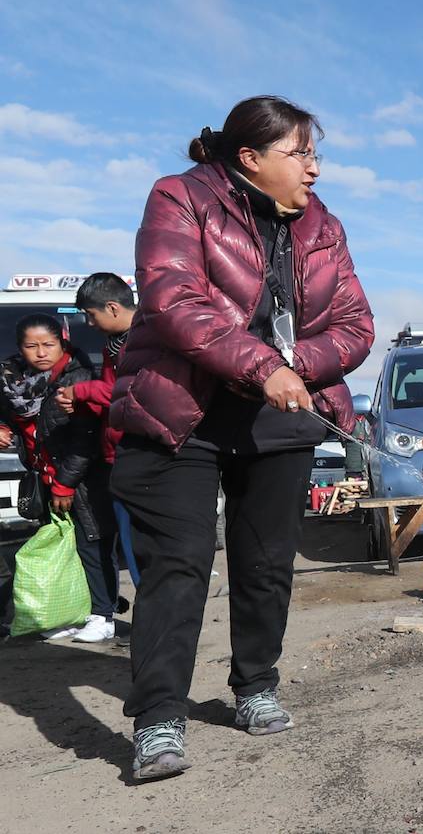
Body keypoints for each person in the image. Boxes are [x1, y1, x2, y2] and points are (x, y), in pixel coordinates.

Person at [109, 96, 374, 782]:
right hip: (183, 413)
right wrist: (263, 365)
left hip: (280, 418)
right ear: (250, 159)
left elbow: (354, 325)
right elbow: (172, 301)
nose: (314, 169)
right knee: (179, 566)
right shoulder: (181, 198)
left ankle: (255, 686)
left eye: (317, 154)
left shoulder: (323, 226)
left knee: (265, 566)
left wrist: (297, 370)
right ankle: (159, 718)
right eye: (301, 153)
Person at [0, 315, 114, 641]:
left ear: (62, 342)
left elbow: (85, 440)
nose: (40, 353)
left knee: (91, 545)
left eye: (47, 345)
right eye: (31, 346)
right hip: (42, 477)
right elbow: (7, 416)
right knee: (61, 549)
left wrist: (66, 483)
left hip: (81, 479)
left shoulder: (77, 377)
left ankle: (103, 614)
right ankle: (70, 613)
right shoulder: (12, 381)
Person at [57, 273, 140, 587]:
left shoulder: (147, 340)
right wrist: (81, 404)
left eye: (91, 316)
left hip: (141, 457)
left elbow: (131, 393)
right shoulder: (113, 346)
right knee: (131, 549)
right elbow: (111, 398)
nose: (89, 325)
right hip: (116, 456)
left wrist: (82, 392)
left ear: (113, 308)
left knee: (144, 549)